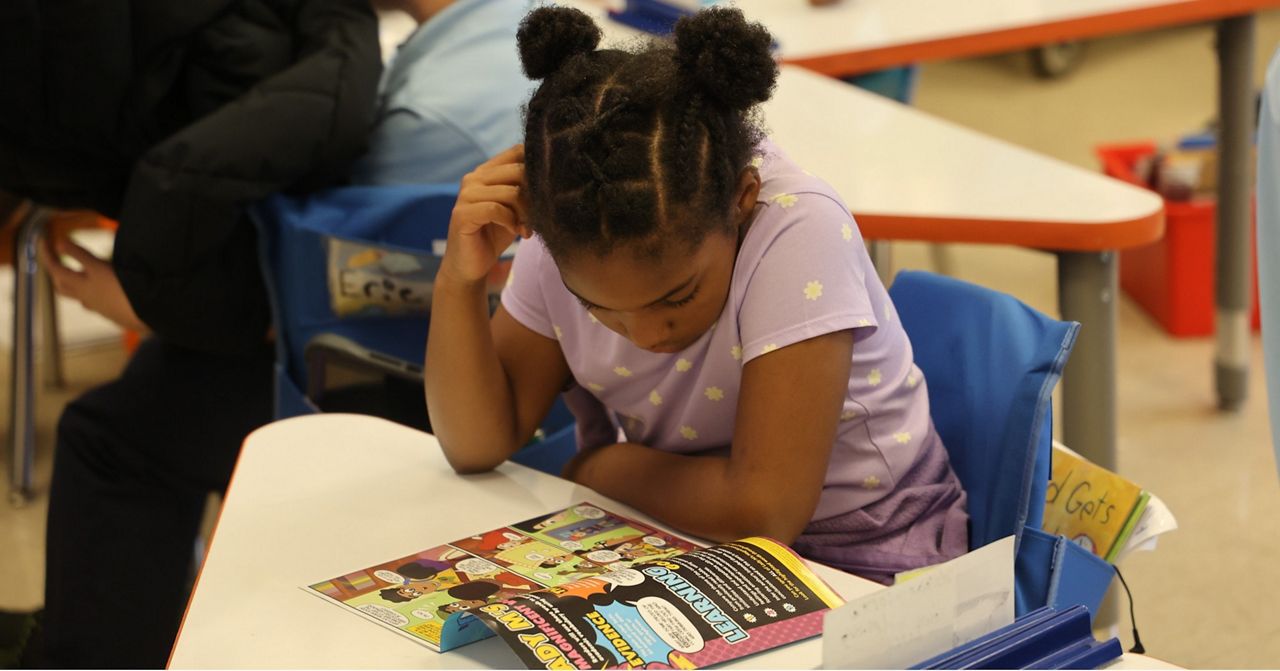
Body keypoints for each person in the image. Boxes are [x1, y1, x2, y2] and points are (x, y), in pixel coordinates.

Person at [1, 0, 527, 666]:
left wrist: (136, 302)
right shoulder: (522, 28)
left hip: (409, 390)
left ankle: (98, 645)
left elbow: (322, 290)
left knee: (111, 433)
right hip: (501, 367)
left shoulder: (416, 124)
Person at [424, 5, 970, 585]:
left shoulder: (795, 228)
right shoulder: (567, 233)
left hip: (869, 545)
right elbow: (475, 445)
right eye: (597, 308)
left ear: (741, 198)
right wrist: (459, 280)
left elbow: (764, 512)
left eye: (676, 298)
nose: (646, 336)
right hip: (683, 532)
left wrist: (602, 466)